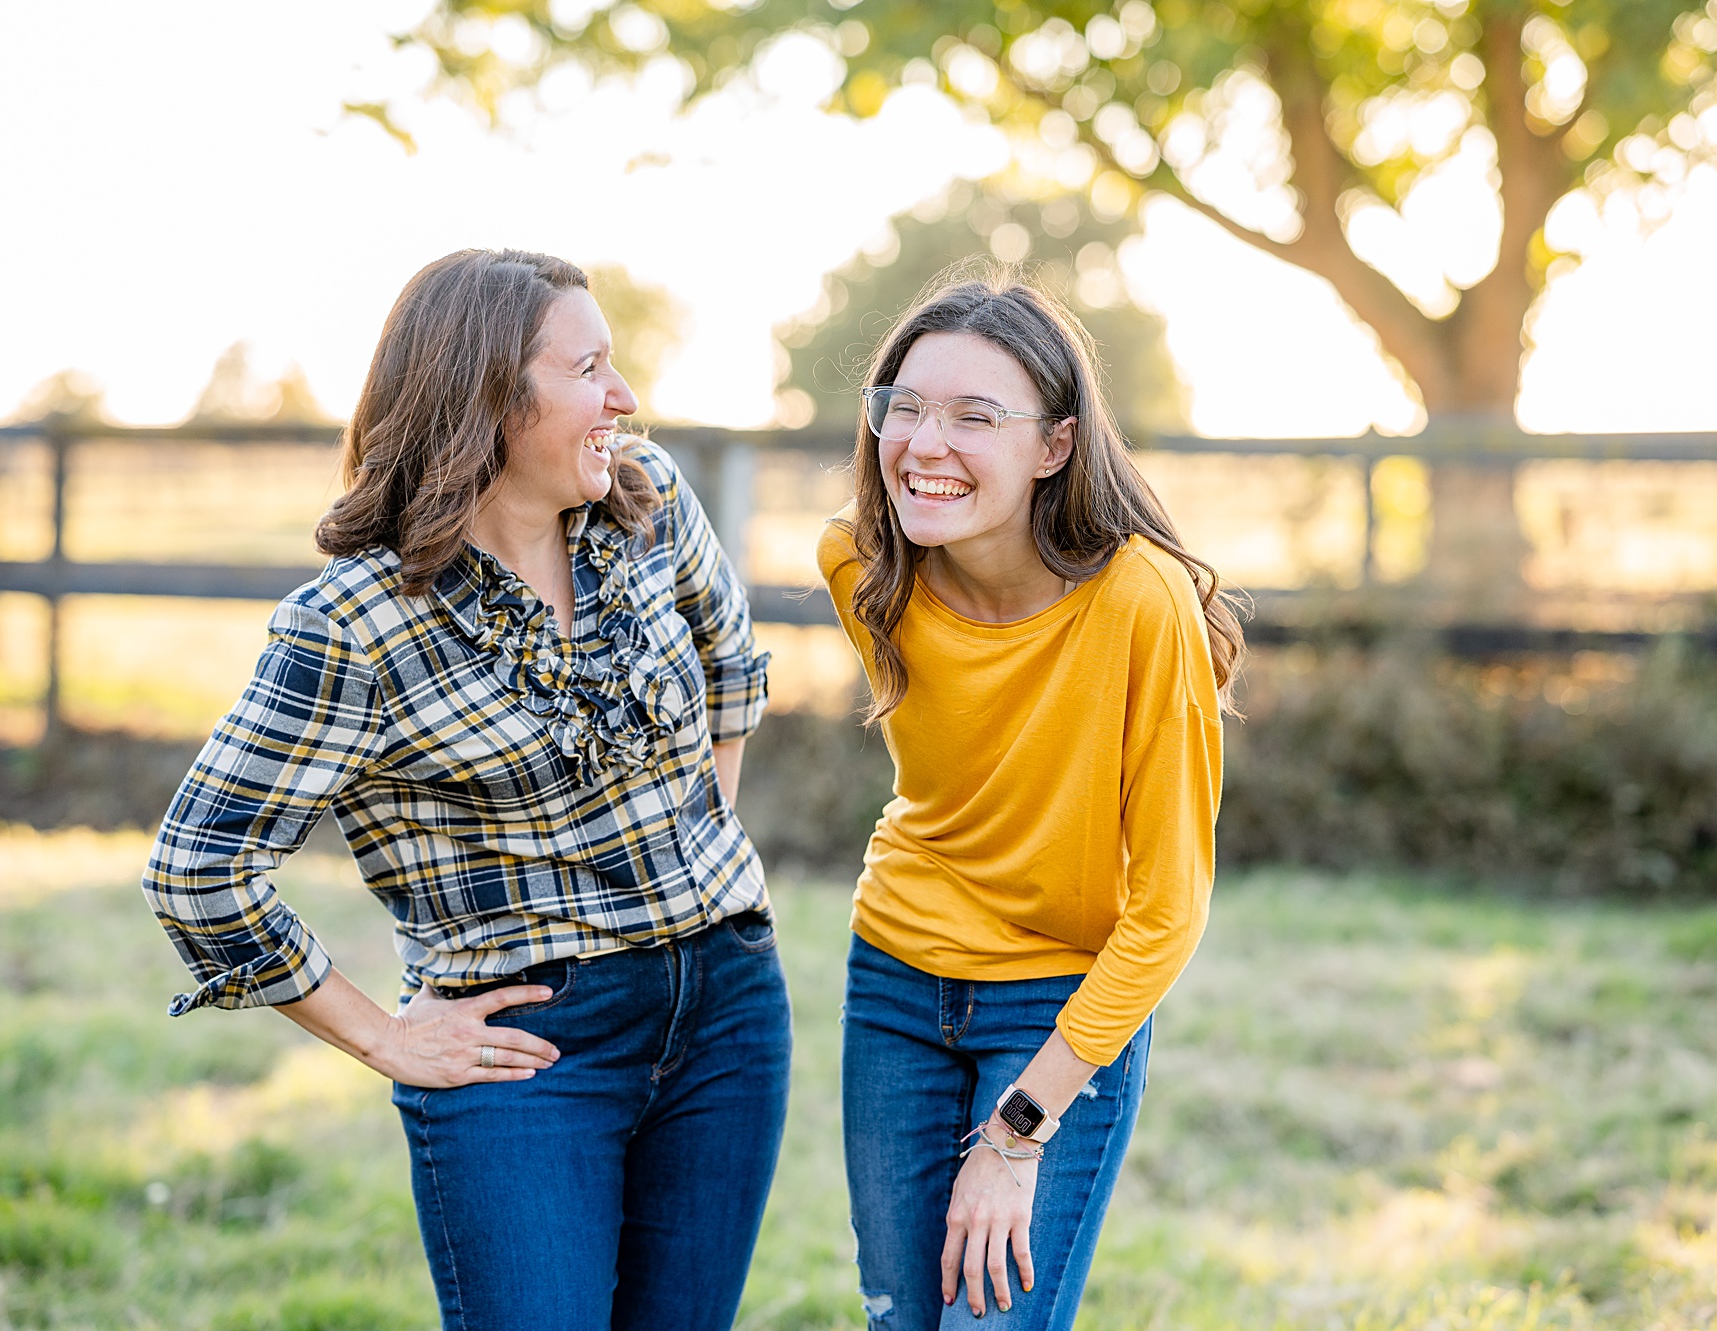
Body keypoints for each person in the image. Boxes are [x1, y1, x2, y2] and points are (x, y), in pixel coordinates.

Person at [142, 248, 789, 1331]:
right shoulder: (357, 621)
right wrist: (383, 1036)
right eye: (589, 368)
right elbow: (200, 866)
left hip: (727, 1005)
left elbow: (730, 663)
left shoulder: (648, 502)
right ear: (488, 395)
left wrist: (704, 836)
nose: (621, 399)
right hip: (526, 1048)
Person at [817, 268, 1245, 1330]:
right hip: (893, 983)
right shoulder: (861, 565)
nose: (922, 443)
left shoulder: (1141, 604)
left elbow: (1167, 911)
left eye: (973, 416)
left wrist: (1015, 1132)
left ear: (1053, 444)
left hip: (1056, 1002)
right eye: (903, 407)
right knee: (899, 1319)